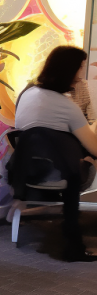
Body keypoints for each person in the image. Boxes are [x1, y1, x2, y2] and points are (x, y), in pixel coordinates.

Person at [11, 45, 97, 260]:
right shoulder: (66, 106)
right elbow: (94, 147)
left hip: (25, 172)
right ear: (69, 71)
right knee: (89, 156)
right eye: (80, 68)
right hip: (63, 175)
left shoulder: (27, 95)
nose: (81, 75)